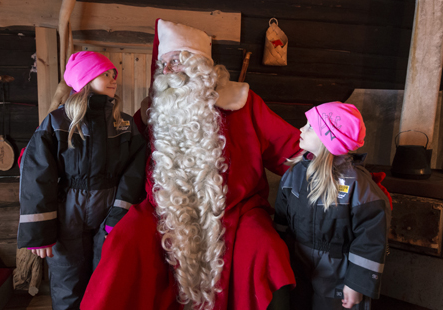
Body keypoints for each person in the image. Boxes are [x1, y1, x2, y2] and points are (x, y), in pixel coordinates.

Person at [81, 19, 301, 310]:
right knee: (124, 242)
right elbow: (119, 156)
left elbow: (293, 149)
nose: (168, 70)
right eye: (164, 64)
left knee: (266, 249)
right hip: (165, 213)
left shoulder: (244, 104)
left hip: (236, 212)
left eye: (177, 60)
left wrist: (333, 165)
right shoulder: (151, 113)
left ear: (201, 66)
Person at [17, 51, 146, 310]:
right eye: (105, 74)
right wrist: (40, 231)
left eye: (113, 75)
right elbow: (36, 175)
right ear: (85, 80)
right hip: (67, 215)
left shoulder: (125, 125)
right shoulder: (57, 122)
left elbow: (135, 171)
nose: (113, 80)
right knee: (67, 284)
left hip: (109, 209)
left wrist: (118, 217)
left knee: (106, 282)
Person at [273, 102, 391, 310]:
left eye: (310, 127)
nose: (301, 129)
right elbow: (281, 218)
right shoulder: (294, 174)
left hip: (338, 272)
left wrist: (357, 284)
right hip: (298, 263)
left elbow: (370, 240)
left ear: (330, 140)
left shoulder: (358, 186)